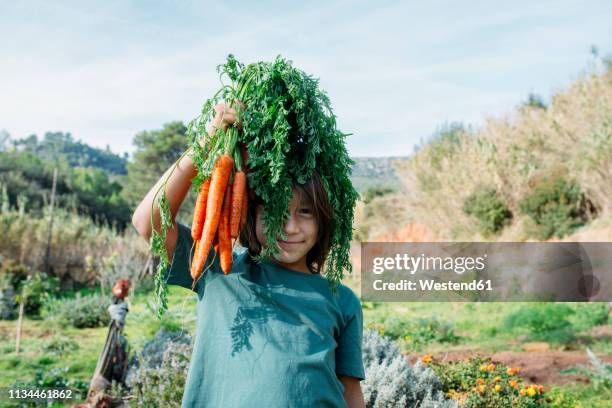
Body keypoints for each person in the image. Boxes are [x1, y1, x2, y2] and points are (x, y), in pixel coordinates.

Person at [132, 103, 366, 407]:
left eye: (305, 212)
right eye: (275, 211)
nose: (290, 226)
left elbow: (350, 393)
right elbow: (147, 221)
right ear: (249, 216)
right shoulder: (217, 271)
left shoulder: (342, 300)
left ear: (323, 221)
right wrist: (208, 141)